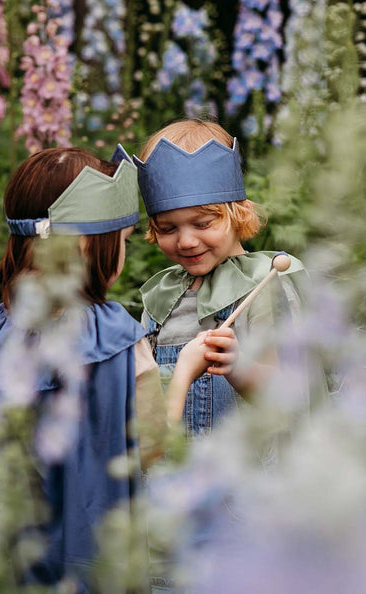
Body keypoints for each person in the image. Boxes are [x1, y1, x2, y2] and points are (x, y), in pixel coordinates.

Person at [0, 146, 212, 591]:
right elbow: (149, 449)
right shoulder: (116, 339)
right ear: (83, 245)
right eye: (123, 240)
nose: (123, 252)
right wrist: (186, 370)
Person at [132, 119, 306, 436]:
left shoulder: (263, 285)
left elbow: (289, 398)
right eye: (168, 229)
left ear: (238, 213)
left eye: (202, 223)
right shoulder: (162, 296)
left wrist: (239, 368)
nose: (185, 241)